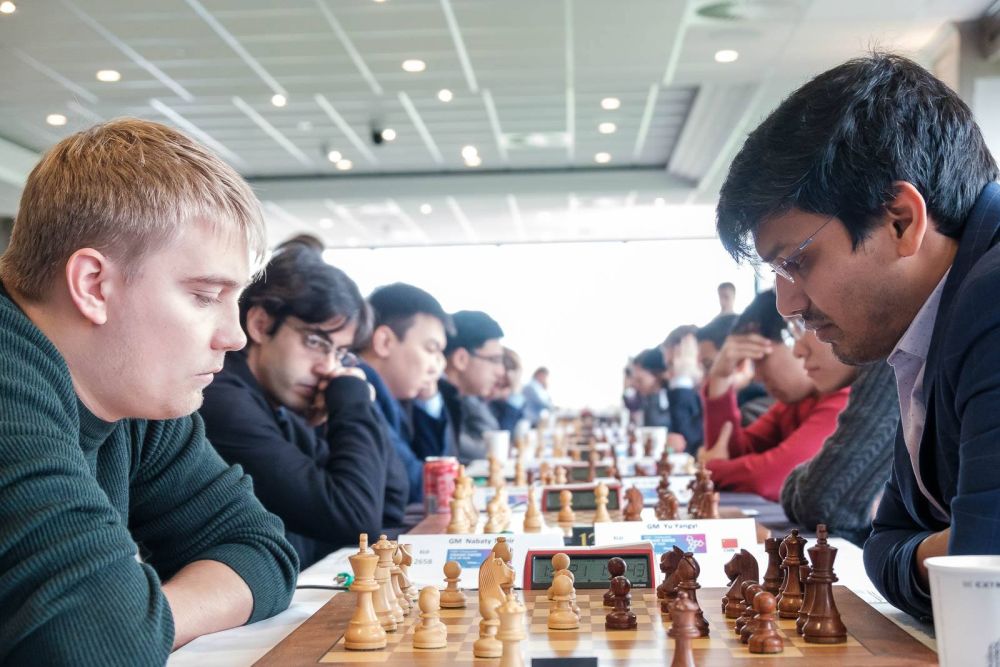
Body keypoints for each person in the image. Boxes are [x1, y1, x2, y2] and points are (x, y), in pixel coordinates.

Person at [0, 119, 298, 662]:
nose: (234, 337)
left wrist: (146, 615)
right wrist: (126, 618)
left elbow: (262, 549)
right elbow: (96, 641)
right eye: (205, 296)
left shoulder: (130, 387)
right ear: (93, 285)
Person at [715, 53, 1000, 620]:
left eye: (797, 262)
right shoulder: (925, 322)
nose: (788, 305)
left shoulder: (990, 301)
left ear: (901, 220)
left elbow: (981, 586)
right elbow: (886, 539)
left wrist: (946, 552)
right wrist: (937, 553)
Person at [199, 241, 408, 568]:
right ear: (261, 324)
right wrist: (351, 403)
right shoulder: (223, 399)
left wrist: (351, 409)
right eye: (315, 342)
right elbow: (356, 518)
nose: (328, 367)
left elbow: (391, 504)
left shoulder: (283, 403)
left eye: (339, 353)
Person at [698, 290, 850, 501]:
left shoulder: (848, 398)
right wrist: (720, 377)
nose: (757, 377)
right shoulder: (794, 403)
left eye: (760, 359)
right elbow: (730, 451)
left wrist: (708, 468)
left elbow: (770, 479)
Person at [780, 319, 899, 546]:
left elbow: (825, 503)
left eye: (805, 321)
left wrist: (804, 482)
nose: (797, 350)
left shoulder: (891, 360)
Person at [358, 282, 452, 502]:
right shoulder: (359, 394)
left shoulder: (393, 397)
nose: (438, 366)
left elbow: (437, 466)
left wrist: (428, 400)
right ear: (384, 342)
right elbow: (421, 485)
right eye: (431, 349)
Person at [439, 310, 506, 463]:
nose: (501, 371)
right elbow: (486, 451)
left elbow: (493, 434)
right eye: (495, 360)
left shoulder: (464, 396)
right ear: (461, 359)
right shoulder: (430, 401)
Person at [490, 347, 527, 434]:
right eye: (504, 385)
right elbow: (503, 434)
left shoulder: (505, 401)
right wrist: (514, 396)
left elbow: (520, 429)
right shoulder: (480, 401)